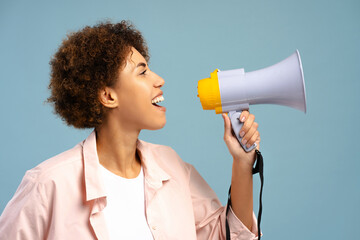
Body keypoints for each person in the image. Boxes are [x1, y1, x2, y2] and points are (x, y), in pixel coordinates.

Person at [0, 21, 261, 240]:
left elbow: (227, 235)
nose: (159, 80)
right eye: (142, 72)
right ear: (107, 95)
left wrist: (241, 162)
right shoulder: (49, 184)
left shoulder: (172, 167)